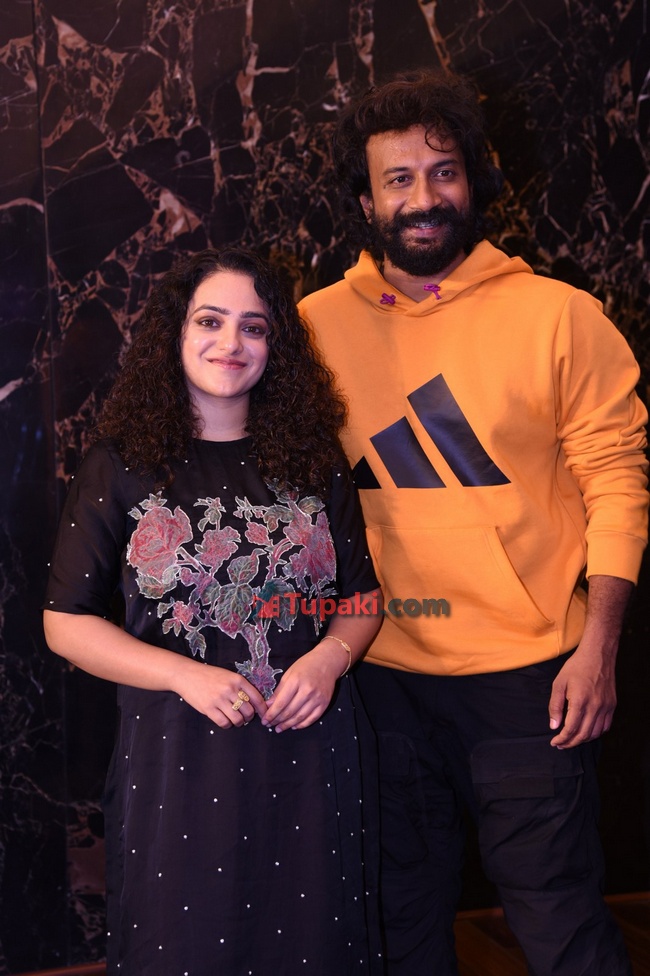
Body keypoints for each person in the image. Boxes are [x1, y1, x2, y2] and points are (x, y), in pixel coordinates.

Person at [298, 70, 649, 976]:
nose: (423, 198)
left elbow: (616, 481)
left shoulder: (560, 317)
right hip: (380, 674)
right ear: (366, 200)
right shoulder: (310, 330)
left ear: (473, 180)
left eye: (442, 172)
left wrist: (600, 649)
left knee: (558, 920)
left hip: (529, 679)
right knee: (399, 922)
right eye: (398, 179)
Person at [43, 247, 384, 976]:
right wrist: (184, 675)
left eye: (254, 327)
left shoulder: (315, 458)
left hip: (310, 751)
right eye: (210, 321)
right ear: (175, 332)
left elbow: (361, 598)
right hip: (178, 761)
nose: (231, 343)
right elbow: (64, 621)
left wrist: (330, 660)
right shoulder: (119, 464)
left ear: (276, 346)